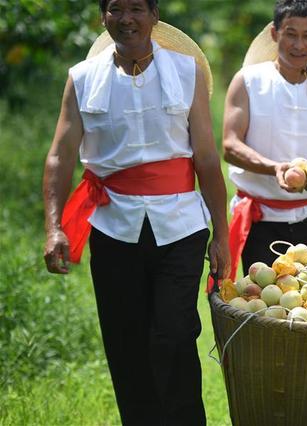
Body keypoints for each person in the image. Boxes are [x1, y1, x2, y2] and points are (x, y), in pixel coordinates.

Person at [42, 0, 230, 424]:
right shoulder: (82, 78)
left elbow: (205, 157)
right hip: (112, 227)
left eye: (136, 8)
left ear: (154, 15)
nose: (126, 19)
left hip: (180, 224)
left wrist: (221, 232)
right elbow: (60, 156)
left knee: (175, 334)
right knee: (125, 341)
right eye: (115, 9)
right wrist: (54, 227)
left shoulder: (187, 72)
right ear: (103, 17)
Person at [222, 0, 307, 281]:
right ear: (274, 33)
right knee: (267, 310)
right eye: (290, 34)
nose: (299, 45)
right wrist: (275, 168)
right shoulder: (247, 81)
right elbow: (231, 146)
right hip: (261, 220)